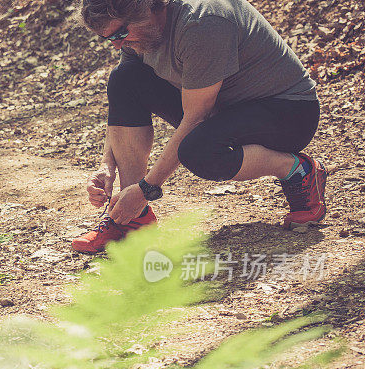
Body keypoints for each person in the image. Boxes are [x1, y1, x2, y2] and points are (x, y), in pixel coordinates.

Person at [72, 0, 325, 253]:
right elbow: (123, 98)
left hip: (288, 112)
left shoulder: (201, 22)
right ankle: (132, 219)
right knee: (123, 78)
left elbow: (196, 118)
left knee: (198, 151)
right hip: (225, 106)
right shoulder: (138, 33)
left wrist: (145, 190)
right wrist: (107, 165)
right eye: (108, 38)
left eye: (119, 34)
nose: (116, 44)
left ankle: (297, 169)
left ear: (147, 9)